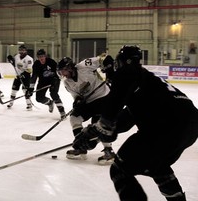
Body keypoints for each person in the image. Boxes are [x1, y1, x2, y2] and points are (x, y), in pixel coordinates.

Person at [73, 45, 198, 200]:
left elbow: (112, 110)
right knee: (155, 165)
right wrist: (96, 135)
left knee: (119, 169)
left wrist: (102, 126)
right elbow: (126, 120)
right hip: (190, 126)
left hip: (166, 126)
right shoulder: (148, 84)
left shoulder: (129, 72)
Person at [57, 56, 116, 165]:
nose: (62, 74)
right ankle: (81, 147)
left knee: (99, 125)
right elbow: (77, 96)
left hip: (103, 97)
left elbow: (104, 57)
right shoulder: (67, 83)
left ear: (70, 68)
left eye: (63, 71)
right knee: (75, 118)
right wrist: (77, 101)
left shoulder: (84, 65)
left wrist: (109, 69)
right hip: (89, 102)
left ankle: (109, 151)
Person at [26, 49, 66, 118]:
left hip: (53, 80)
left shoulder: (51, 62)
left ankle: (62, 111)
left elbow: (59, 73)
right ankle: (50, 103)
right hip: (43, 81)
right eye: (39, 57)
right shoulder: (36, 64)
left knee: (53, 93)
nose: (41, 58)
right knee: (39, 98)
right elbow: (34, 77)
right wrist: (30, 88)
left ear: (45, 56)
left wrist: (55, 80)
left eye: (42, 56)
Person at [7, 45, 34, 110]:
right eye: (20, 50)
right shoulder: (16, 56)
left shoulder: (29, 59)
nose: (21, 51)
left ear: (26, 51)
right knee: (14, 90)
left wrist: (23, 74)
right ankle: (11, 103)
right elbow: (14, 63)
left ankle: (29, 104)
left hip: (26, 76)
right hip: (17, 76)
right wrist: (11, 60)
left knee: (25, 91)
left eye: (23, 50)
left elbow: (29, 70)